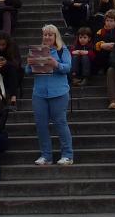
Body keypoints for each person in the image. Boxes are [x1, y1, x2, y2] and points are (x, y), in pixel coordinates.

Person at [28, 23, 74, 166]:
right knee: (41, 124)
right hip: (39, 93)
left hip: (59, 92)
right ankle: (46, 156)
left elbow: (67, 68)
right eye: (45, 34)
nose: (47, 37)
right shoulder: (38, 50)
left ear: (55, 36)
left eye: (50, 34)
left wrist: (56, 64)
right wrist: (31, 65)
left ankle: (67, 155)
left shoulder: (62, 50)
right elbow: (27, 71)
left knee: (60, 123)